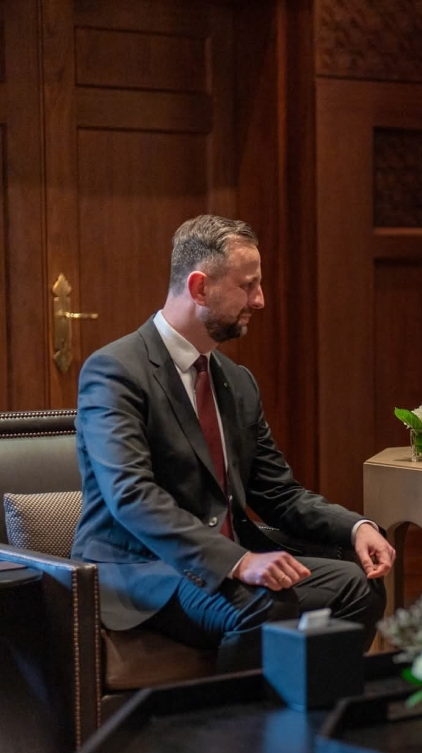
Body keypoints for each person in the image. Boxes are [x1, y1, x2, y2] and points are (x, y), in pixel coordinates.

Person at [72, 214, 395, 671]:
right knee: (266, 603)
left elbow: (278, 493)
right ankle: (237, 718)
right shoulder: (116, 371)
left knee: (360, 587)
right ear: (200, 288)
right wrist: (236, 562)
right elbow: (131, 495)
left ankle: (311, 710)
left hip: (226, 557)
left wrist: (357, 527)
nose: (260, 300)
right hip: (142, 566)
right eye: (248, 286)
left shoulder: (236, 381)